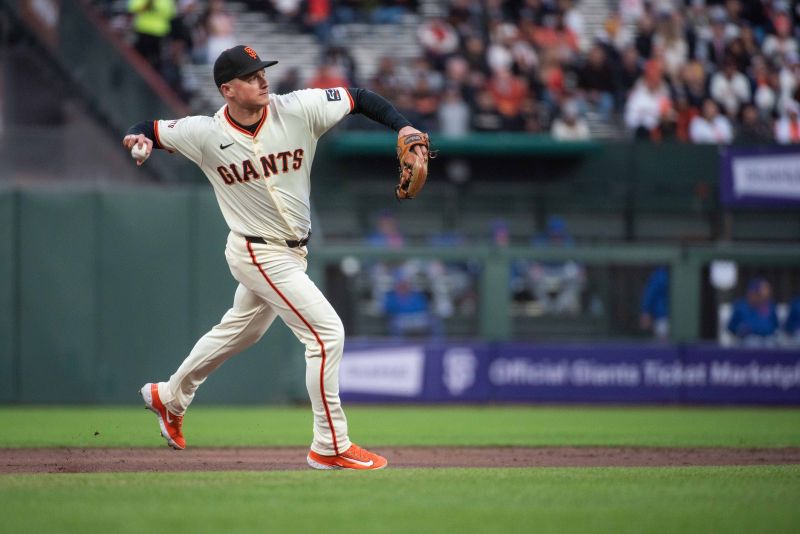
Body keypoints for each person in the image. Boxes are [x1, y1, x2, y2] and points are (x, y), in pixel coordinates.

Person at [122, 45, 428, 470]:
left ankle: (170, 396)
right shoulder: (203, 133)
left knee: (241, 332)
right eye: (251, 76)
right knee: (326, 334)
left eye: (262, 72)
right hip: (255, 250)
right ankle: (330, 444)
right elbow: (151, 129)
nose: (263, 80)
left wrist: (403, 126)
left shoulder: (298, 108)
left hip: (291, 251)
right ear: (227, 89)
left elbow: (359, 98)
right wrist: (138, 137)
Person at [726, 278, 779, 347]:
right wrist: (740, 329)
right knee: (753, 342)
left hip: (768, 338)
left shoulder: (770, 306)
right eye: (754, 294)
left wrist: (761, 330)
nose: (755, 296)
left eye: (759, 295)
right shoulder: (741, 306)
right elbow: (731, 327)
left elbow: (775, 326)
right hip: (747, 340)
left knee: (771, 342)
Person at [639, 267, 669, 341]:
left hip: (665, 316)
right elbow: (649, 294)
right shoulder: (660, 275)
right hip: (661, 316)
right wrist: (645, 311)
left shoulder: (663, 274)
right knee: (663, 342)